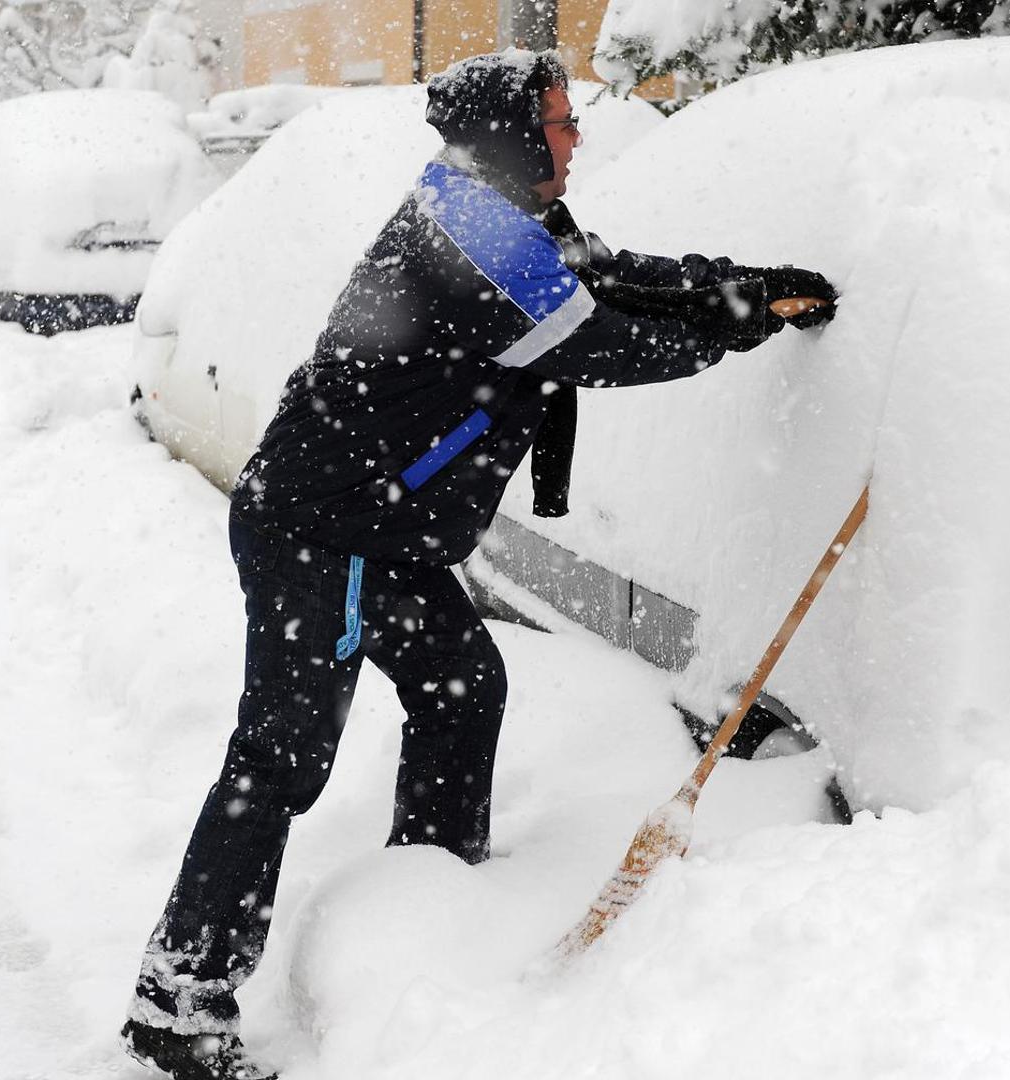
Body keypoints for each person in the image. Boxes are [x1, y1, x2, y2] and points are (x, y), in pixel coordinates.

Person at [121, 48, 837, 1080]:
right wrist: (734, 326)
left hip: (379, 527)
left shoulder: (501, 215)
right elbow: (602, 345)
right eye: (556, 120)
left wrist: (738, 286)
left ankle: (429, 904)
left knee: (461, 688)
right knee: (280, 758)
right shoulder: (472, 236)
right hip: (330, 531)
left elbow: (610, 275)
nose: (573, 135)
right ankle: (178, 998)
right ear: (509, 134)